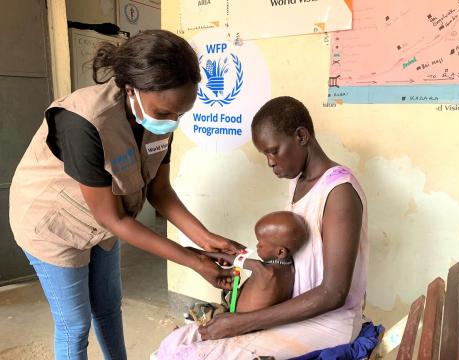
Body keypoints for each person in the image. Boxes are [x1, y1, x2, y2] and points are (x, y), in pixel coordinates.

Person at [9, 30, 241, 360]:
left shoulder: (162, 115)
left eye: (181, 114)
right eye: (165, 113)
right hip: (52, 224)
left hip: (104, 220)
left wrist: (205, 239)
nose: (173, 121)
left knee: (108, 307)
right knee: (74, 325)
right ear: (131, 88)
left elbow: (159, 191)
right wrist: (192, 261)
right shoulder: (83, 121)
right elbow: (112, 218)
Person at [156, 96, 368, 359]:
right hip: (298, 308)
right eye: (265, 153)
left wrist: (243, 322)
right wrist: (239, 260)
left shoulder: (339, 193)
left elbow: (333, 293)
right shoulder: (300, 182)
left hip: (328, 322)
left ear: (301, 136)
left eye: (273, 150)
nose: (269, 162)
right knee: (177, 342)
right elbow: (294, 254)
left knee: (195, 355)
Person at [186, 210, 308, 323]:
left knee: (196, 309)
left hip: (233, 318)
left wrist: (201, 253)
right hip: (249, 319)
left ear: (280, 252)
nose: (257, 245)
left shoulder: (263, 270)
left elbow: (230, 259)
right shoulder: (290, 269)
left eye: (261, 244)